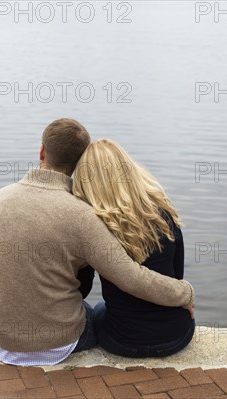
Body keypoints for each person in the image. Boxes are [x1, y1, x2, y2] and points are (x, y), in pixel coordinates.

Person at [0, 119, 194, 366]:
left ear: (42, 151)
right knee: (95, 311)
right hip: (57, 345)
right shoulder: (83, 216)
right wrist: (186, 292)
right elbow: (131, 278)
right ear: (81, 163)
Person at [72, 139, 195, 357]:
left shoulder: (96, 226)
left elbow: (83, 289)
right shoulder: (162, 213)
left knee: (97, 309)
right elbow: (177, 275)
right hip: (177, 334)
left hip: (123, 340)